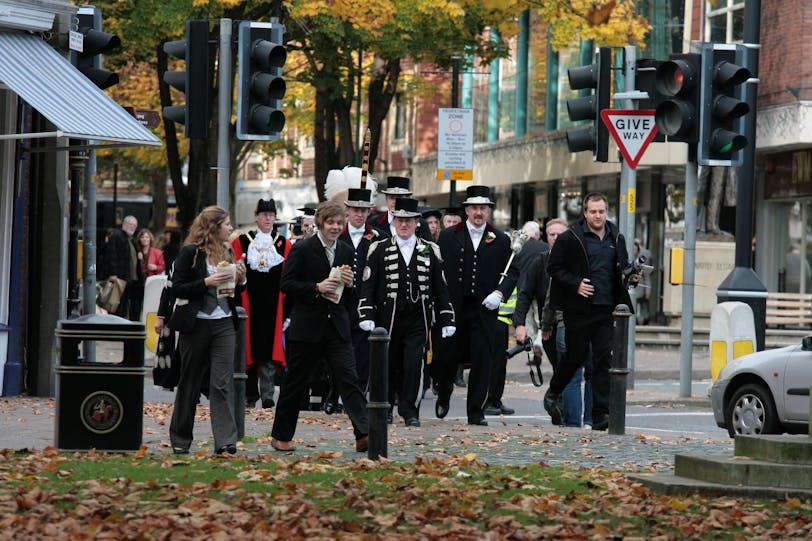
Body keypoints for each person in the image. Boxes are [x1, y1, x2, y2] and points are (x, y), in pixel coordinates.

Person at [270, 200, 369, 453]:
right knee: (295, 383)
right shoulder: (303, 249)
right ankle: (281, 435)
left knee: (349, 378)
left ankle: (364, 433)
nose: (335, 227)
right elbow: (286, 285)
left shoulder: (346, 250)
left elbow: (351, 295)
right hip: (307, 328)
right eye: (331, 223)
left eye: (339, 223)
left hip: (336, 327)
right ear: (320, 224)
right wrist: (316, 288)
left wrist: (349, 285)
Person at [544, 193, 637, 431]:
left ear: (607, 212)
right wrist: (575, 284)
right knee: (575, 357)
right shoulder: (570, 237)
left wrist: (631, 275)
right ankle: (554, 392)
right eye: (593, 211)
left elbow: (622, 269)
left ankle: (599, 414)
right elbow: (553, 268)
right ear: (585, 213)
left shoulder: (616, 236)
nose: (598, 216)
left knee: (603, 360)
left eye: (602, 211)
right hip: (578, 308)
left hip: (607, 308)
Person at [359, 198, 455, 427]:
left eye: (408, 221)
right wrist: (366, 314)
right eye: (400, 220)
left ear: (416, 223)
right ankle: (387, 407)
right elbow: (369, 285)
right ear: (393, 222)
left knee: (414, 365)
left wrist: (446, 316)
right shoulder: (379, 249)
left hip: (418, 317)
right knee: (388, 363)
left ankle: (410, 409)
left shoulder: (430, 249)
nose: (404, 225)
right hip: (388, 317)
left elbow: (440, 287)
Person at [433, 185, 518, 426]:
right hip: (455, 307)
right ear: (466, 210)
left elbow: (513, 272)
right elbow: (438, 269)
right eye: (474, 208)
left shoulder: (501, 240)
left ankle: (475, 411)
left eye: (483, 208)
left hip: (484, 309)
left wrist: (499, 293)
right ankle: (444, 393)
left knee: (482, 360)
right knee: (447, 356)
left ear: (489, 211)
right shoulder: (449, 236)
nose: (478, 212)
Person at [168, 206, 247, 455]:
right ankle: (180, 438)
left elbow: (232, 294)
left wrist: (240, 280)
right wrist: (205, 283)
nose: (231, 228)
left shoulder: (228, 251)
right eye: (227, 224)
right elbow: (176, 288)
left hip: (224, 322)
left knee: (222, 383)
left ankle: (225, 441)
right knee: (189, 382)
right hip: (197, 323)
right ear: (214, 227)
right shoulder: (190, 253)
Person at [515, 218, 592, 428]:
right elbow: (525, 294)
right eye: (552, 235)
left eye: (560, 234)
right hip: (549, 328)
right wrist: (519, 325)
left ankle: (572, 417)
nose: (556, 238)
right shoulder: (540, 262)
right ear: (545, 237)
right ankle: (561, 409)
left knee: (575, 371)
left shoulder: (578, 261)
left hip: (573, 323)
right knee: (563, 371)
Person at [484, 221, 550, 416]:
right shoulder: (519, 251)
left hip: (505, 311)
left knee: (498, 361)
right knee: (497, 361)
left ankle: (494, 399)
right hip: (503, 312)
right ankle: (491, 400)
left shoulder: (512, 252)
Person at [232, 199, 291, 409]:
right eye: (264, 214)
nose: (268, 218)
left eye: (271, 215)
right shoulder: (241, 242)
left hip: (274, 304)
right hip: (249, 301)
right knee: (248, 347)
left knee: (267, 349)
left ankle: (267, 395)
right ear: (256, 216)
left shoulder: (284, 244)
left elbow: (289, 278)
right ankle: (249, 394)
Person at [337, 187, 379, 391]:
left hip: (365, 302)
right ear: (347, 210)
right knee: (339, 349)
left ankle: (359, 391)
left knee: (363, 352)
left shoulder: (378, 237)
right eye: (355, 209)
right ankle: (335, 391)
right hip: (340, 302)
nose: (359, 214)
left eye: (364, 210)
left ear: (369, 212)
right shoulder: (337, 235)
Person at [368, 176, 432, 241]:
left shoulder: (421, 224)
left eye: (399, 197)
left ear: (408, 198)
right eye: (392, 198)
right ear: (386, 199)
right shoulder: (373, 223)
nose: (395, 202)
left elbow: (428, 249)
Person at [101, 215, 139, 320]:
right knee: (116, 304)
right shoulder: (117, 236)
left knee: (122, 304)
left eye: (135, 225)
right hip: (119, 277)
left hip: (127, 278)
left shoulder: (131, 240)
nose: (132, 227)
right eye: (130, 224)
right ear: (124, 224)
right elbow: (111, 255)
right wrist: (113, 273)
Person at [132, 228, 166, 322]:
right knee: (136, 304)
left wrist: (155, 267)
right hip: (138, 282)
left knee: (149, 304)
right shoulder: (136, 251)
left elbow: (162, 266)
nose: (145, 239)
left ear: (150, 239)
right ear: (139, 239)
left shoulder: (157, 252)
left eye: (147, 237)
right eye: (142, 237)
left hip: (151, 282)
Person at [633, 238, 653, 325]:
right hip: (632, 289)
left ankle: (644, 320)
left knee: (642, 306)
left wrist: (648, 291)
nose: (633, 251)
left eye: (635, 249)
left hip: (640, 290)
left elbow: (647, 277)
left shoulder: (641, 262)